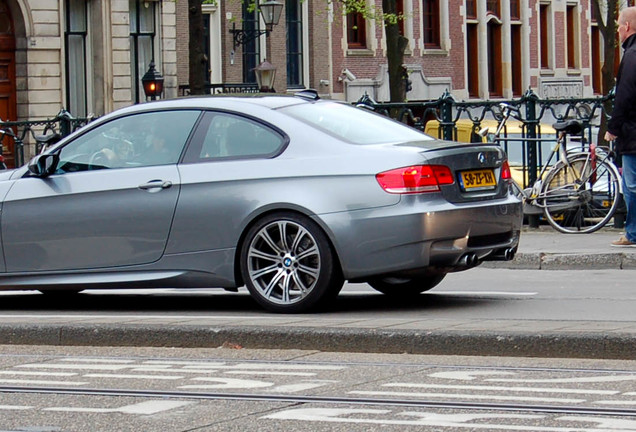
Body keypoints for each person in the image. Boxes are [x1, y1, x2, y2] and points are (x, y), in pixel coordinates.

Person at [606, 6, 636, 248]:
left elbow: (624, 96)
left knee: (631, 186)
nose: (617, 30)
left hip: (633, 134)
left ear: (627, 27)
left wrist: (613, 128)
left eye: (618, 26)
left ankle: (632, 233)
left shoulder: (632, 55)